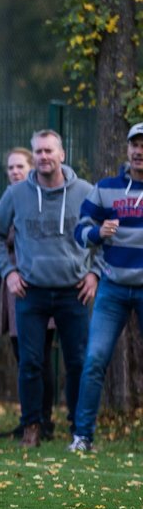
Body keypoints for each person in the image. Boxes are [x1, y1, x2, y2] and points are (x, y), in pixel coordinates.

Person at [0, 130, 96, 448]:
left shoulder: (85, 192)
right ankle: (31, 425)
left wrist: (95, 275)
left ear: (62, 154)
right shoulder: (17, 193)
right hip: (29, 292)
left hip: (73, 292)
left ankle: (80, 430)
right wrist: (8, 272)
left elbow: (103, 237)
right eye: (38, 151)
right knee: (31, 362)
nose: (43, 156)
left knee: (77, 362)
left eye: (49, 150)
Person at [68, 122, 143, 452]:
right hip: (112, 287)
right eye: (135, 145)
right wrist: (99, 233)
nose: (140, 151)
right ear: (127, 150)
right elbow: (80, 230)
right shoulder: (107, 188)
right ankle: (82, 437)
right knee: (95, 359)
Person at [0, 147, 55, 440]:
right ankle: (28, 419)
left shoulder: (38, 199)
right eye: (10, 167)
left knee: (40, 357)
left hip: (40, 283)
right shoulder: (8, 200)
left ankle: (44, 420)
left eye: (20, 166)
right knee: (23, 357)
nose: (15, 172)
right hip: (14, 285)